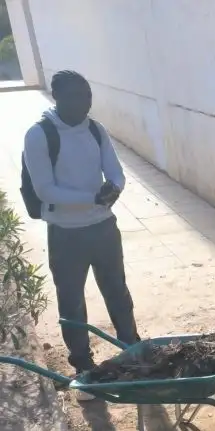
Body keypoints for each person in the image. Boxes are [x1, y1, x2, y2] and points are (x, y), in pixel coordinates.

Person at [22, 70, 139, 400]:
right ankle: (84, 368)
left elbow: (115, 171)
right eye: (75, 96)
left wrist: (114, 187)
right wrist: (92, 198)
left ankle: (133, 353)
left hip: (103, 228)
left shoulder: (95, 129)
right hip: (66, 234)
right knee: (72, 303)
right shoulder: (39, 135)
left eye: (87, 95)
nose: (84, 102)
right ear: (57, 97)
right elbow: (45, 190)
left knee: (118, 292)